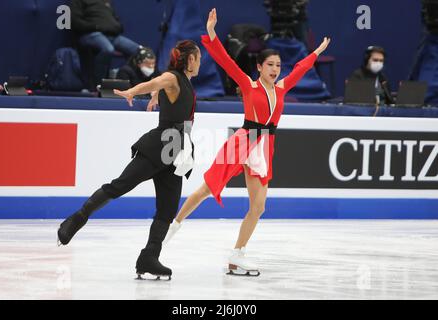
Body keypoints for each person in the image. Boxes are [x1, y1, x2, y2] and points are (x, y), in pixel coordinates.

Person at [164, 8, 330, 276]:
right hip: (245, 139)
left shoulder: (282, 88)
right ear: (259, 67)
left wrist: (316, 53)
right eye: (270, 65)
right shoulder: (248, 84)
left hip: (264, 146)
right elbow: (225, 60)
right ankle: (173, 225)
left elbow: (300, 69)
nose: (275, 69)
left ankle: (237, 255)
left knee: (259, 206)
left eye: (278, 65)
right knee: (208, 188)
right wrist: (211, 33)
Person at [57, 39, 201, 280]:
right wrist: (134, 91)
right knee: (120, 185)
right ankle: (77, 219)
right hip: (160, 146)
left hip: (177, 151)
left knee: (167, 211)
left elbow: (161, 89)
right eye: (199, 58)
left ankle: (149, 257)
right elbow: (157, 82)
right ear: (190, 59)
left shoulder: (183, 82)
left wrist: (156, 95)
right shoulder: (173, 77)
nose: (200, 62)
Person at [70, 0, 140, 84]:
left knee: (138, 51)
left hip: (112, 36)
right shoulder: (78, 1)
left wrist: (117, 27)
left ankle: (126, 79)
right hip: (90, 34)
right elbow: (75, 22)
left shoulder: (105, 1)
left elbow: (114, 19)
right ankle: (98, 84)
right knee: (108, 49)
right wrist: (95, 27)